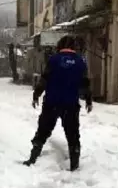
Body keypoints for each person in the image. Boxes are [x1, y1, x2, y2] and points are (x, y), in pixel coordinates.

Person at [24, 35, 93, 171]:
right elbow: (85, 84)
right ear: (74, 47)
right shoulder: (80, 62)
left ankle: (32, 158)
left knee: (42, 131)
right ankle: (74, 165)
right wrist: (89, 100)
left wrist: (36, 95)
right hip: (71, 105)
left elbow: (44, 79)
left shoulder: (53, 60)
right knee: (73, 134)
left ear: (60, 46)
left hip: (52, 103)